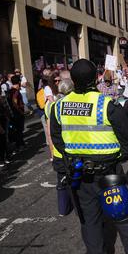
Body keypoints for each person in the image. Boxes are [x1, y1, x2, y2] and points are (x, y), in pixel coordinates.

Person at [50, 59, 128, 254]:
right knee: (124, 215)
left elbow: (57, 139)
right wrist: (115, 158)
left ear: (73, 80)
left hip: (79, 173)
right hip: (108, 170)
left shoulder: (59, 106)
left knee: (89, 219)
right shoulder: (106, 104)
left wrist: (72, 157)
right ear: (95, 79)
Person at [45, 78, 74, 216]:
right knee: (76, 179)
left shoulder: (52, 105)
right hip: (73, 149)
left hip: (58, 151)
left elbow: (50, 133)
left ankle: (63, 209)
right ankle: (77, 207)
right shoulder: (73, 105)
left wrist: (52, 151)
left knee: (61, 181)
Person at [8, 75, 26, 151]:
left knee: (17, 130)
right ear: (19, 82)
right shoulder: (15, 91)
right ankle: (20, 145)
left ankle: (20, 144)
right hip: (17, 114)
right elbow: (14, 102)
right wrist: (21, 111)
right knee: (19, 130)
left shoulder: (10, 91)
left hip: (13, 114)